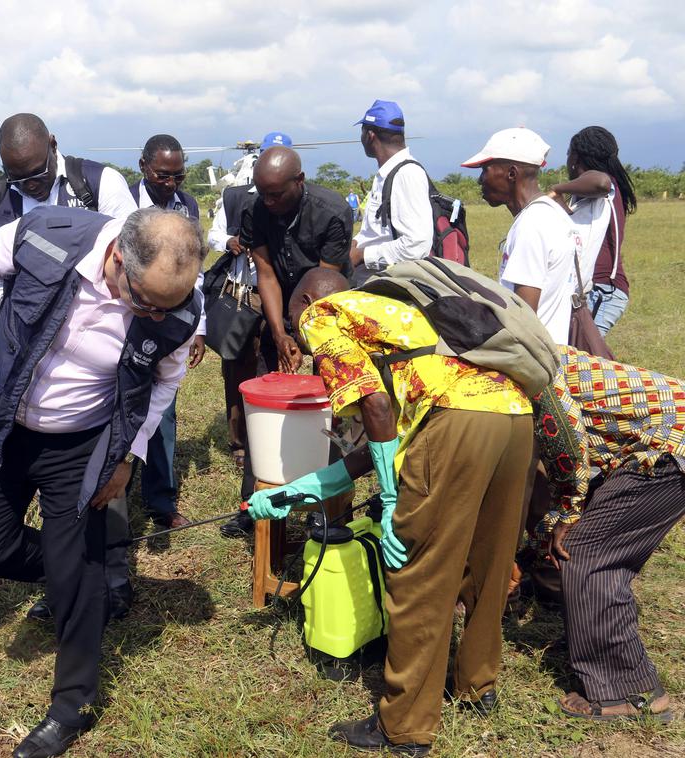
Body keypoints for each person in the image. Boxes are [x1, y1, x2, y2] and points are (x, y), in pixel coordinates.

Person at [0, 206, 205, 758]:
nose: (150, 313)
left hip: (81, 443)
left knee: (77, 571)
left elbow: (164, 385)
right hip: (5, 423)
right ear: (118, 256)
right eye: (142, 299)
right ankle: (78, 573)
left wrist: (127, 457)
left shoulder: (176, 309)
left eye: (163, 306)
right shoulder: (48, 234)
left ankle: (72, 703)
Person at [245, 267, 534, 755]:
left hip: (457, 423)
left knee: (420, 574)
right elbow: (379, 438)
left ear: (306, 300)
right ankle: (475, 684)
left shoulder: (323, 315)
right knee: (487, 556)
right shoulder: (397, 322)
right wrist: (294, 492)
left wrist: (393, 499)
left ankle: (404, 726)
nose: (301, 338)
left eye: (294, 323)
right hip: (512, 415)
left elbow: (377, 409)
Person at [534, 346, 682, 722]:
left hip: (668, 446)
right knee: (600, 550)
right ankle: (613, 664)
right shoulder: (541, 353)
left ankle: (628, 691)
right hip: (667, 440)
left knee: (585, 553)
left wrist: (567, 512)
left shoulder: (536, 373)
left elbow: (569, 443)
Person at [220, 146, 352, 537]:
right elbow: (266, 273)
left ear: (300, 181)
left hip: (325, 308)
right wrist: (279, 334)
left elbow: (324, 287)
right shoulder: (255, 208)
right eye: (264, 193)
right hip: (277, 306)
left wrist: (303, 335)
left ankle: (326, 508)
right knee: (263, 405)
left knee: (334, 407)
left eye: (278, 194)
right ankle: (252, 505)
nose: (270, 202)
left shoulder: (332, 212)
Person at [0, 113, 138, 379]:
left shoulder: (100, 183)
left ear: (53, 144)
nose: (31, 185)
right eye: (18, 179)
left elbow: (132, 269)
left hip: (91, 343)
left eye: (38, 172)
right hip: (20, 337)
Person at [129, 133, 206, 530]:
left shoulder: (188, 206)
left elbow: (196, 272)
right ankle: (115, 499)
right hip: (128, 320)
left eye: (177, 175)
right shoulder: (124, 204)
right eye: (162, 175)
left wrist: (199, 328)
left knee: (163, 409)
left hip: (171, 323)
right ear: (143, 166)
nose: (170, 184)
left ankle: (161, 500)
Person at [463, 127, 581, 344]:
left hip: (532, 360)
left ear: (511, 173)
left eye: (485, 169)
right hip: (551, 350)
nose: (480, 180)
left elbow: (524, 318)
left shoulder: (532, 224)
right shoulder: (552, 212)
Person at [204, 132, 276, 481]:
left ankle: (269, 436)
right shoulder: (233, 197)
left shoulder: (287, 200)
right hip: (240, 296)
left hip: (273, 298)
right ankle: (239, 443)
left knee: (270, 369)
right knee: (236, 367)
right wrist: (230, 241)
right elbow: (212, 235)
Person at [551, 127, 636, 335]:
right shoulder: (587, 196)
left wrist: (558, 188)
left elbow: (600, 182)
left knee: (586, 354)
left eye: (568, 153)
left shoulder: (606, 185)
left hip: (603, 289)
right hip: (592, 287)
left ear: (576, 158)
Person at [347, 100, 433, 285]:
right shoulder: (386, 175)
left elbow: (416, 245)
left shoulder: (407, 174)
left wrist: (363, 255)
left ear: (370, 135)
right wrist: (355, 243)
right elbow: (377, 232)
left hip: (395, 288)